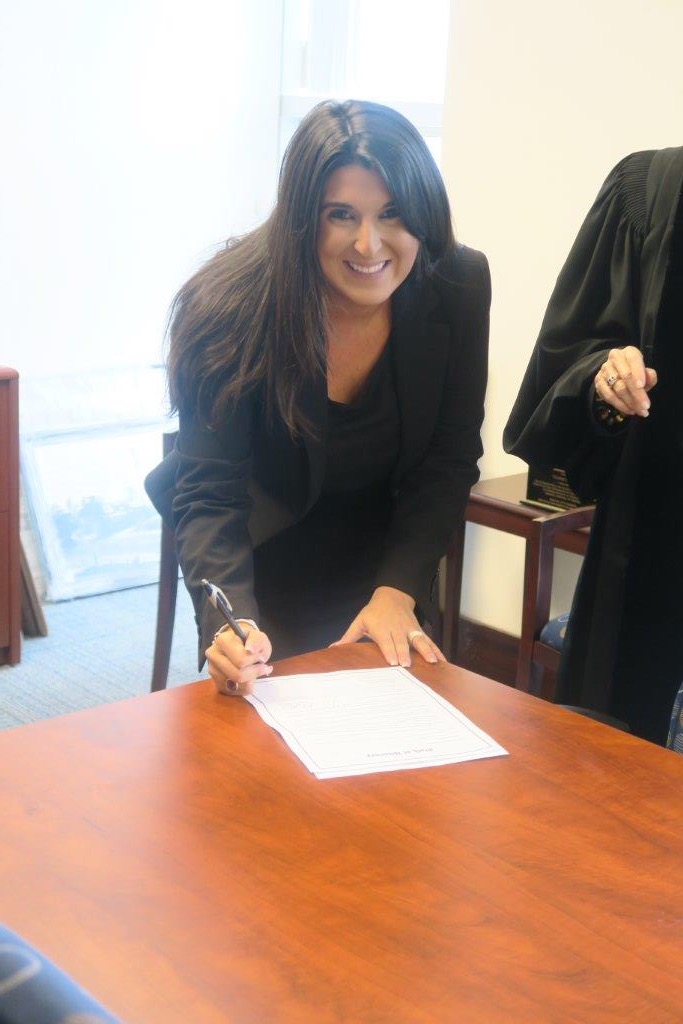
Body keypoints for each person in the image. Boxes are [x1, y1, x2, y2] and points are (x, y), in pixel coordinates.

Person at [146, 99, 490, 696]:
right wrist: (232, 627)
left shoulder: (457, 284)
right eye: (341, 215)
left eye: (393, 214)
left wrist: (397, 590)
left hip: (391, 553)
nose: (368, 244)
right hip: (267, 550)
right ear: (303, 217)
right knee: (268, 751)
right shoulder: (229, 306)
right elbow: (210, 492)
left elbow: (450, 457)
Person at [504, 146, 683, 744]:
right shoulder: (652, 193)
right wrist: (602, 380)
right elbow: (566, 361)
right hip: (651, 565)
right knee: (617, 797)